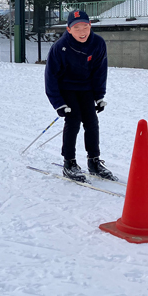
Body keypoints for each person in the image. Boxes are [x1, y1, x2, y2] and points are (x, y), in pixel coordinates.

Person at [44, 9, 117, 182]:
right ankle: (69, 163)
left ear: (90, 26)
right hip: (66, 88)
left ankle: (94, 161)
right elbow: (50, 77)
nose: (82, 31)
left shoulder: (98, 43)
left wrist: (99, 96)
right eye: (77, 28)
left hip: (86, 88)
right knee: (73, 120)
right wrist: (58, 103)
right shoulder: (60, 47)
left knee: (92, 122)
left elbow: (100, 71)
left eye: (85, 26)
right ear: (69, 29)